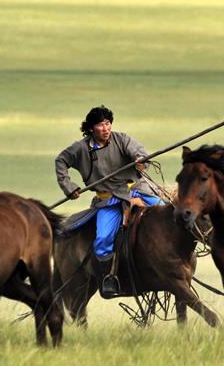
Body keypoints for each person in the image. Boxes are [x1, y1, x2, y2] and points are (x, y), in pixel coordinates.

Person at [55, 105, 164, 298]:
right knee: (103, 240)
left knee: (168, 214)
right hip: (109, 201)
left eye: (108, 123)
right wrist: (68, 186)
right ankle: (108, 279)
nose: (105, 128)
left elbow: (139, 153)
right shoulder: (80, 149)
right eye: (100, 124)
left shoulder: (122, 139)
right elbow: (61, 161)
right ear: (90, 128)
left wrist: (140, 160)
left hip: (136, 190)